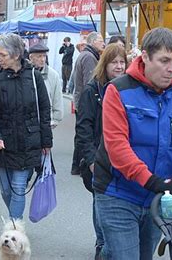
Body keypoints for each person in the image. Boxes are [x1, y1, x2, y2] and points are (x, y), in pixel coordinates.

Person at [93, 27, 172, 259]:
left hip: (159, 197)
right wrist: (152, 181)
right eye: (164, 60)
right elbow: (117, 146)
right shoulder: (118, 90)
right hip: (118, 192)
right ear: (145, 57)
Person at [0, 33, 52, 220]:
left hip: (29, 142)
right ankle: (15, 221)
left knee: (19, 188)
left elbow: (44, 110)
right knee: (6, 191)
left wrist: (46, 142)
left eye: (2, 55)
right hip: (4, 143)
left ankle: (14, 228)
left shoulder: (34, 77)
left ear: (15, 54)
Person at [75, 43, 127, 258]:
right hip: (99, 156)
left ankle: (112, 245)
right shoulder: (93, 90)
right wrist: (91, 159)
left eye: (122, 62)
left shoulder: (129, 88)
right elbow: (83, 127)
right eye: (114, 62)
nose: (118, 66)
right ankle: (102, 245)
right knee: (101, 200)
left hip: (123, 157)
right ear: (104, 64)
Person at [71, 31, 105, 175]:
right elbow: (89, 81)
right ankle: (80, 164)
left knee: (81, 133)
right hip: (85, 101)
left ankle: (77, 164)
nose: (103, 43)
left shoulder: (84, 55)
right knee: (84, 133)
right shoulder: (90, 57)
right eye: (100, 40)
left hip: (79, 98)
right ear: (92, 42)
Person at [29, 43, 64, 128]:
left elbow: (57, 98)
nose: (42, 59)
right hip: (29, 121)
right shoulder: (26, 73)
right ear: (31, 57)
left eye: (44, 56)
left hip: (47, 120)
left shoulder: (53, 75)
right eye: (39, 56)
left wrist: (56, 119)